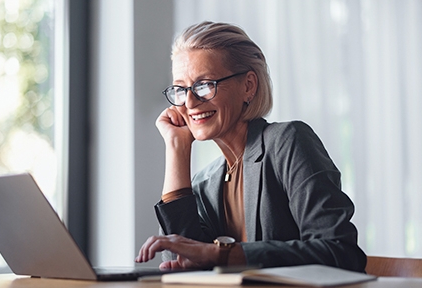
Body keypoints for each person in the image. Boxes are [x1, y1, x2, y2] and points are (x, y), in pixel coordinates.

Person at [135, 21, 366, 272]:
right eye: (181, 89)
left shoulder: (288, 141)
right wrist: (176, 150)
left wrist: (219, 254)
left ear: (248, 86)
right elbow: (178, 262)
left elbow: (340, 252)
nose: (190, 101)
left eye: (204, 85)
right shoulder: (206, 183)